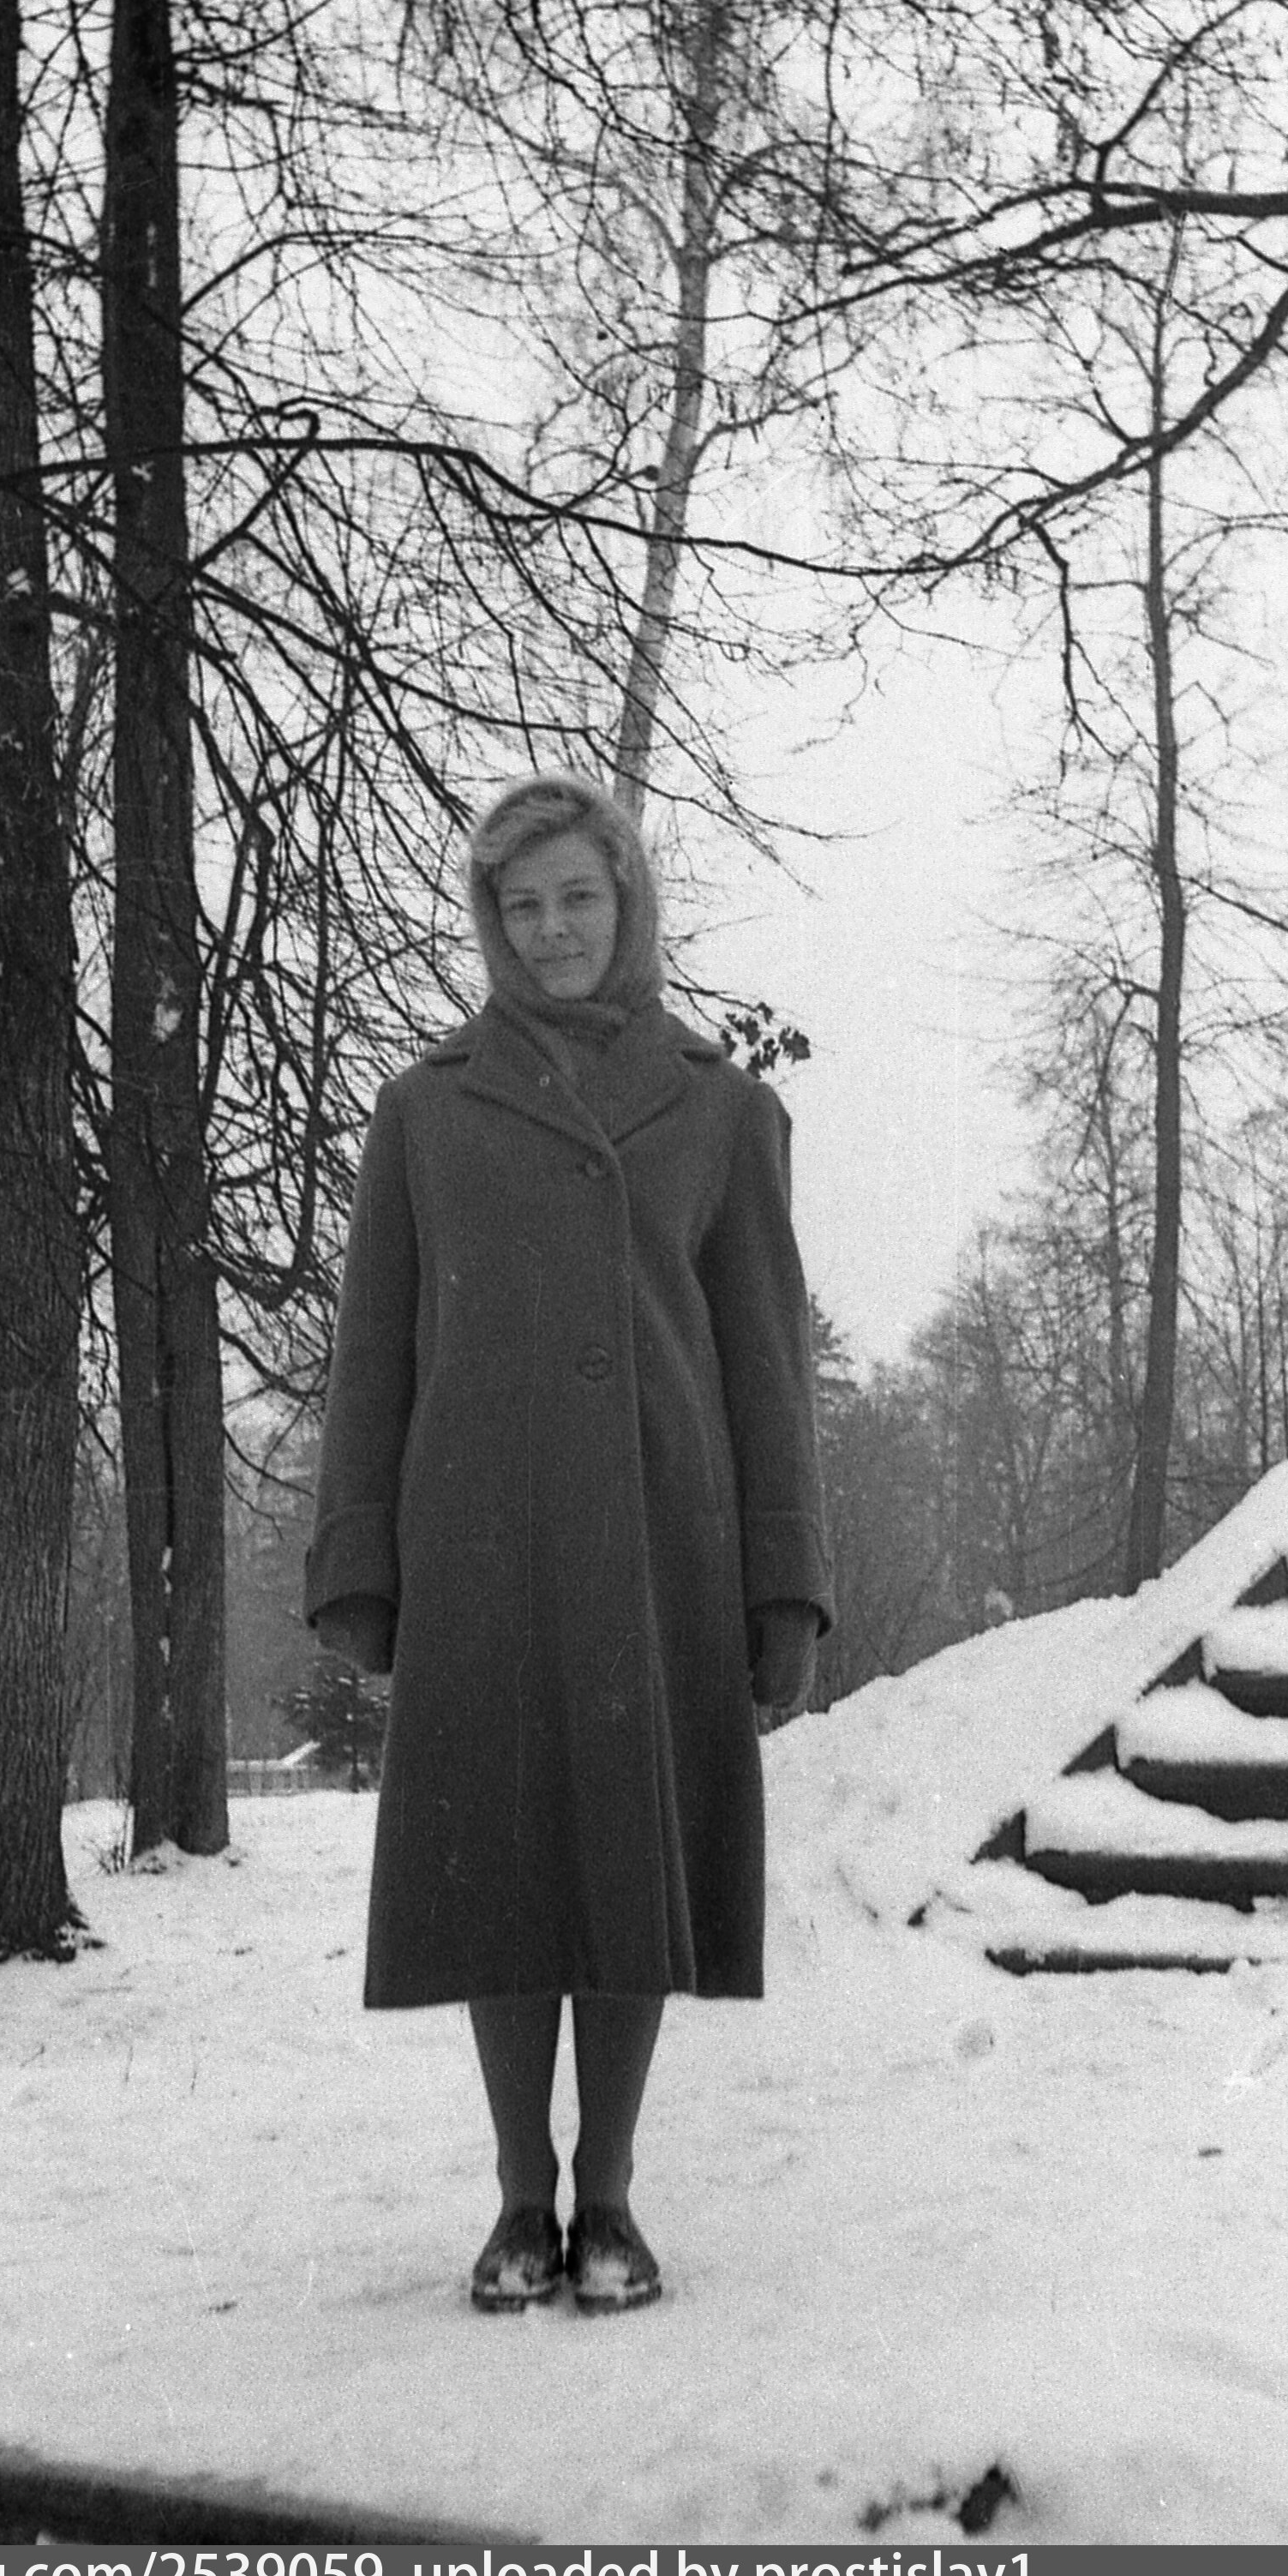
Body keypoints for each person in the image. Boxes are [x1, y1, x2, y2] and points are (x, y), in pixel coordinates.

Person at [305, 771, 831, 2315]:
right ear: (492, 920)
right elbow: (373, 1350)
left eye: (578, 898)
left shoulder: (721, 1107)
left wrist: (785, 1580)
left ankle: (609, 2193)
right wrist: (359, 1560)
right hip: (479, 1537)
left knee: (627, 1862)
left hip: (660, 1538)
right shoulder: (424, 1109)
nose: (550, 930)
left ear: (629, 904)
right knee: (498, 1865)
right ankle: (516, 2197)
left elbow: (766, 1364)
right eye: (521, 904)